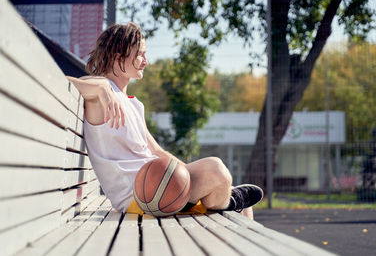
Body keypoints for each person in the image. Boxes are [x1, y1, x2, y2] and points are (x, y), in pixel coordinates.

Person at [67, 22, 263, 219]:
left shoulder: (134, 105)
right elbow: (66, 81)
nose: (146, 61)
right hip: (142, 195)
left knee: (243, 206)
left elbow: (158, 152)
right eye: (140, 54)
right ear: (119, 56)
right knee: (216, 169)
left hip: (161, 185)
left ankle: (229, 202)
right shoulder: (101, 92)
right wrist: (100, 87)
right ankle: (228, 202)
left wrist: (185, 174)